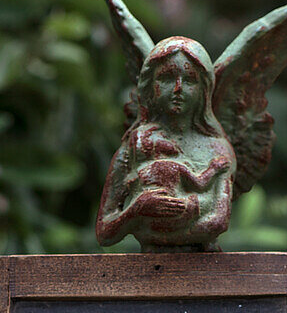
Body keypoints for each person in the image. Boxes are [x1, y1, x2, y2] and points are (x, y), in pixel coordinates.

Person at [96, 36, 236, 250]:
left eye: (189, 80)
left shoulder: (216, 149)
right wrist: (137, 210)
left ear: (204, 90)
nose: (178, 88)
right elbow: (105, 232)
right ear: (150, 84)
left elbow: (218, 221)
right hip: (149, 271)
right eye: (167, 77)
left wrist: (172, 218)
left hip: (205, 272)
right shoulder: (135, 146)